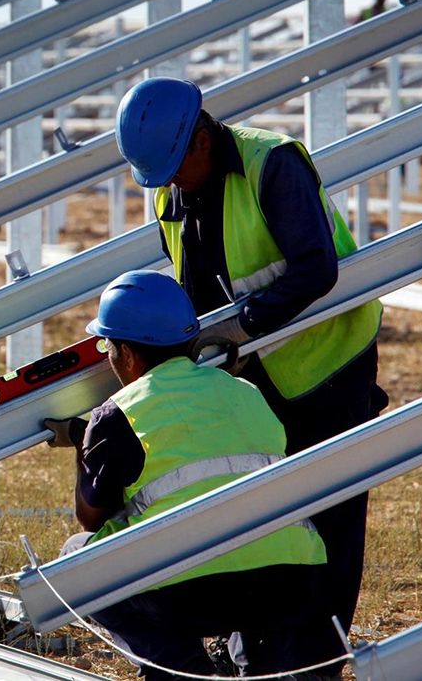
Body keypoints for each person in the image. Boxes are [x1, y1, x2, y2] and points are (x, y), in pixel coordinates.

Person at [115, 77, 385, 675]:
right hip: (250, 382)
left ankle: (314, 666)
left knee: (327, 525)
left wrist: (242, 329)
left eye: (174, 170)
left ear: (203, 142)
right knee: (255, 518)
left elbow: (317, 267)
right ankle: (255, 659)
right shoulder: (170, 195)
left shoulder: (272, 165)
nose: (170, 187)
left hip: (325, 369)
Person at [43, 270, 326, 681]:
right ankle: (266, 670)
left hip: (194, 594)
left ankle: (183, 671)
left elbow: (92, 518)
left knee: (76, 556)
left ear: (129, 354)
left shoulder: (119, 412)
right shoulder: (244, 390)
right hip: (292, 582)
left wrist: (87, 442)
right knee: (254, 547)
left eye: (107, 345)